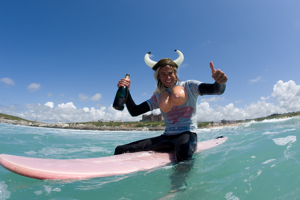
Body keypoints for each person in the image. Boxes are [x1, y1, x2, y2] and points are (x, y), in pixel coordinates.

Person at [114, 50, 228, 162]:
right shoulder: (158, 96)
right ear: (158, 76)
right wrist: (127, 91)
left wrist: (220, 82)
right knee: (120, 150)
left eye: (170, 73)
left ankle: (179, 180)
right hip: (167, 137)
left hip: (187, 134)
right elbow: (135, 111)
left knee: (183, 150)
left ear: (175, 73)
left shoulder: (190, 86)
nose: (167, 77)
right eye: (163, 74)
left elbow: (216, 90)